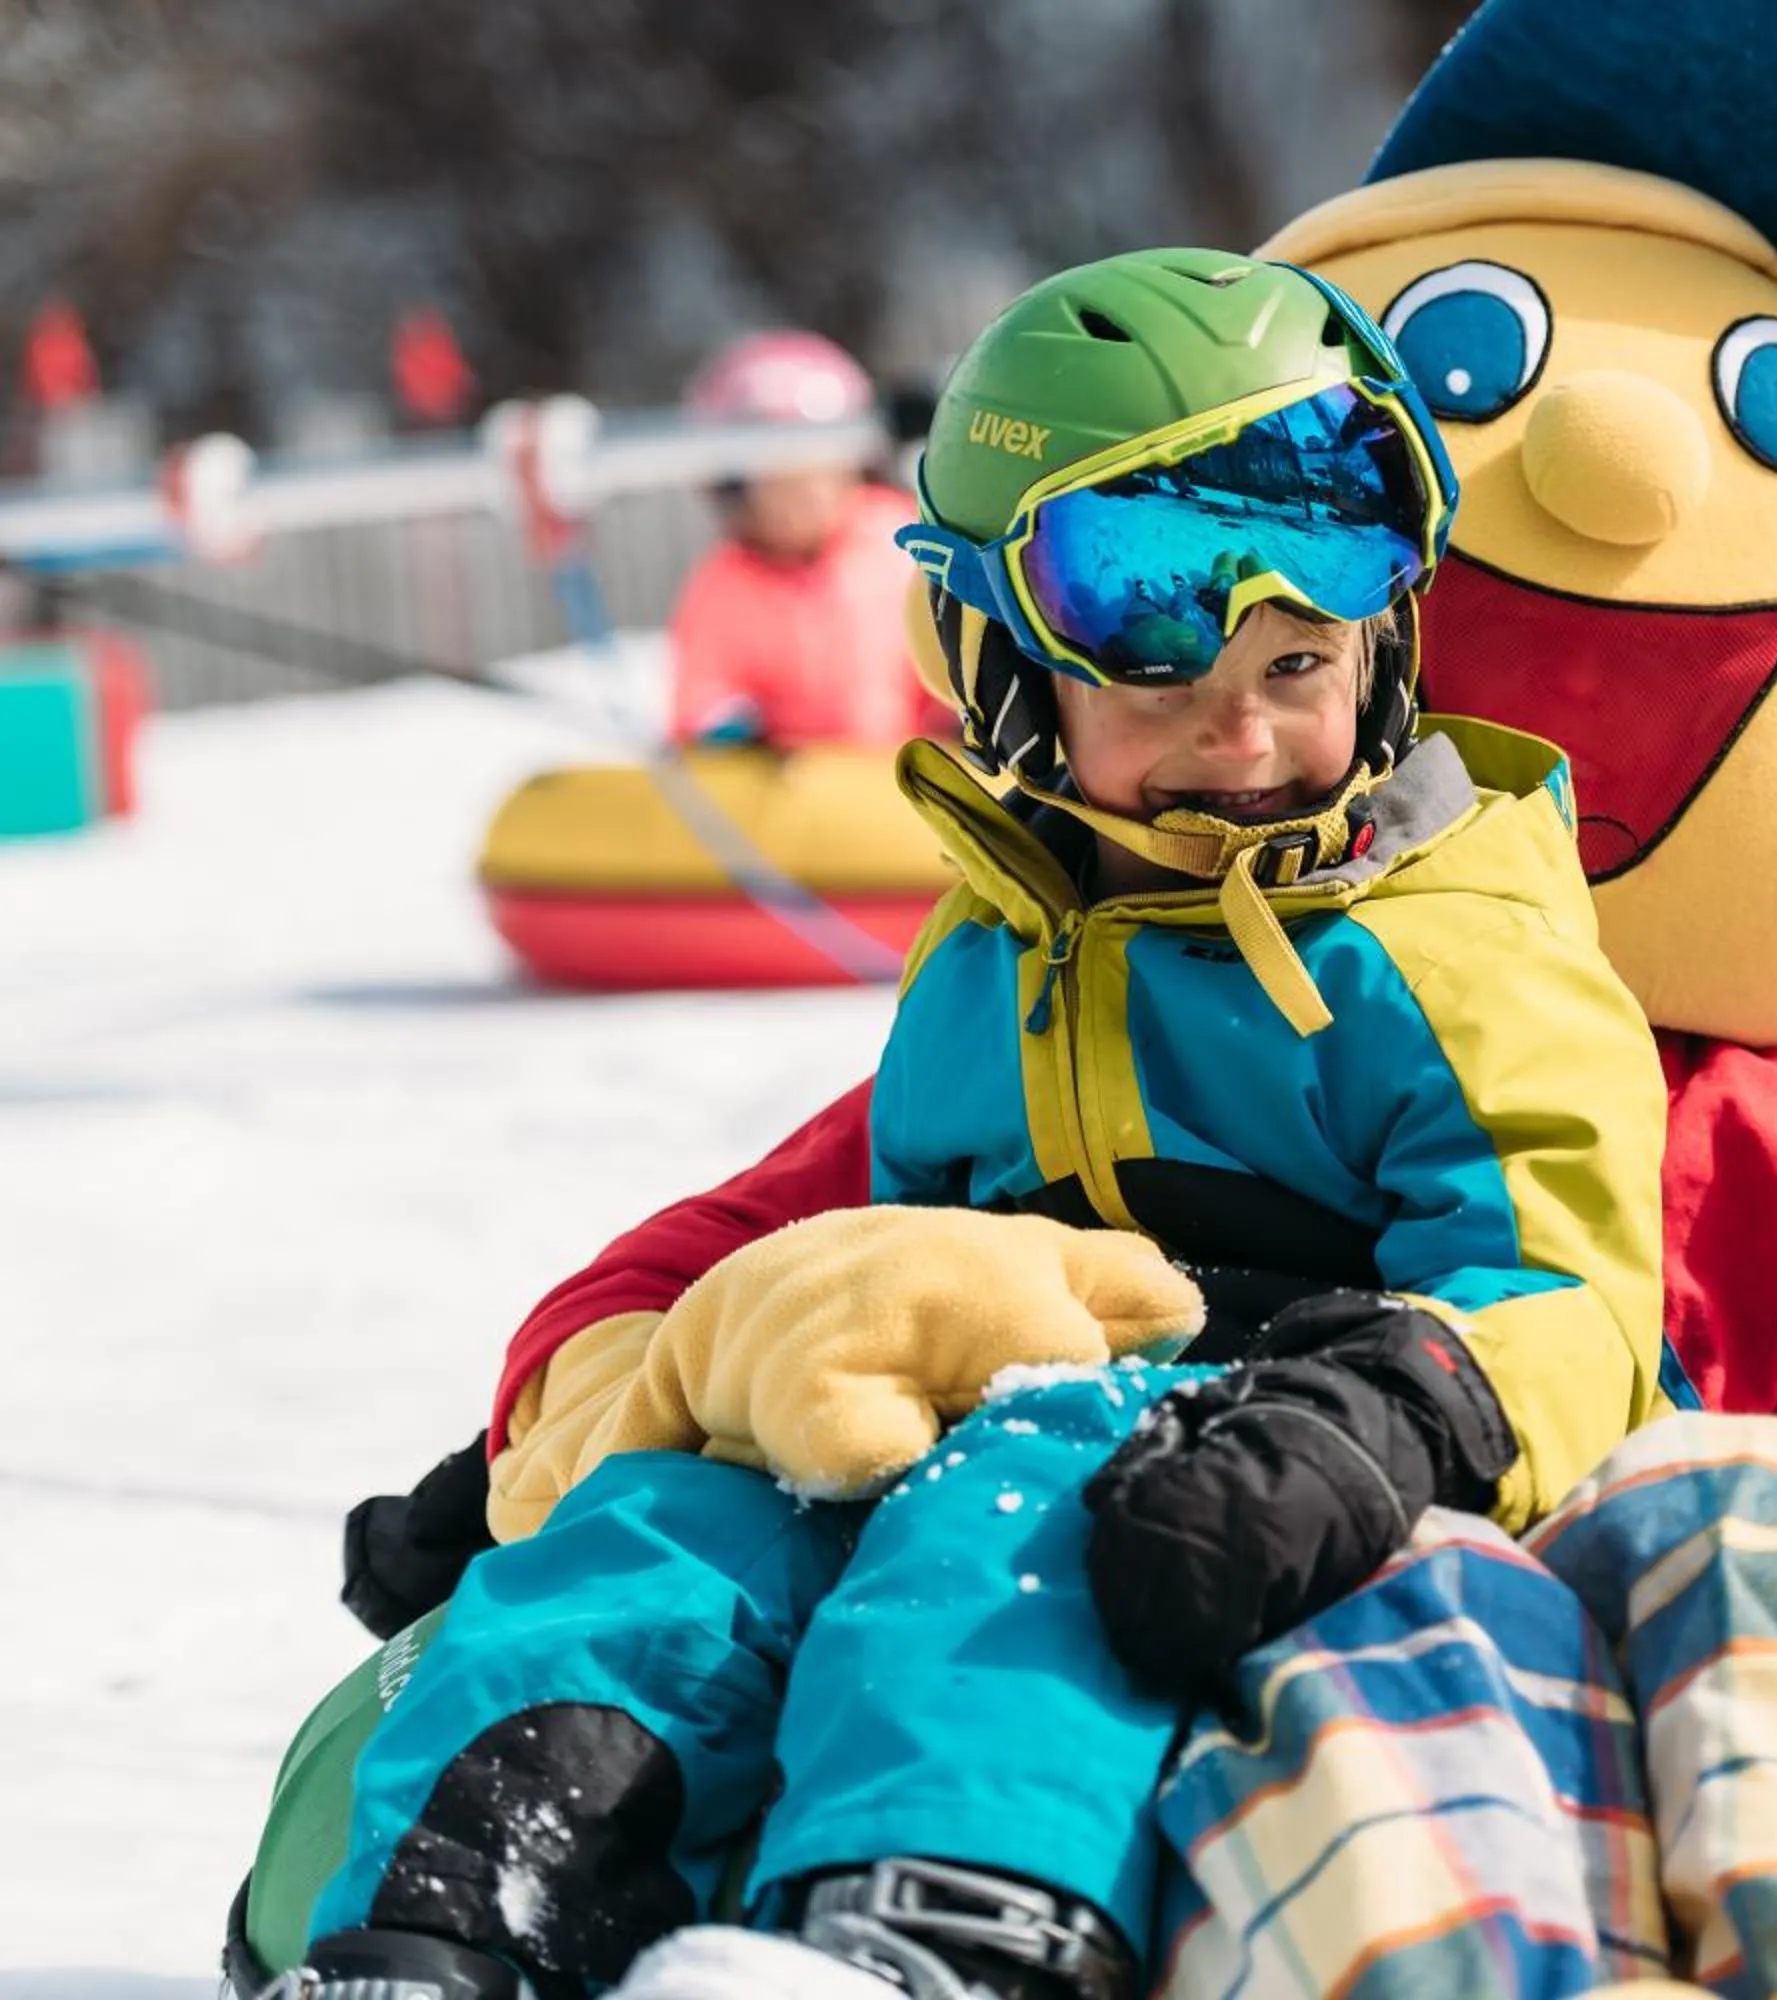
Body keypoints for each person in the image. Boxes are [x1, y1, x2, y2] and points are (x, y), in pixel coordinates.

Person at [281, 250, 1673, 2000]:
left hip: (1310, 1460)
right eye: (1163, 687)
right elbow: (878, 1271)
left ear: (1385, 645)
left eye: (1301, 661)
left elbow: (1573, 1288)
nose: (1242, 734)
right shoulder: (996, 947)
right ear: (1003, 674)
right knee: (666, 1530)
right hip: (1040, 1393)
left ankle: (937, 1925)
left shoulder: (1454, 945)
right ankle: (463, 1908)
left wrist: (1382, 1422)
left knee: (1006, 1515)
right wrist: (563, 1463)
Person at [664, 331, 943, 750]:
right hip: (792, 795)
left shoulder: (901, 545)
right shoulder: (723, 585)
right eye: (776, 486)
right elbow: (704, 686)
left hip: (905, 778)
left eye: (813, 477)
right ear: (735, 493)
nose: (798, 502)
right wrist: (728, 730)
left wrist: (951, 717)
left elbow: (945, 648)